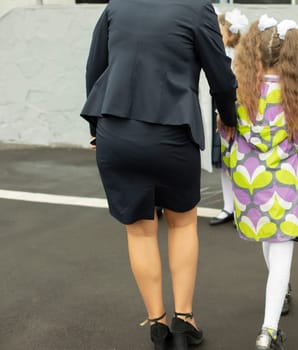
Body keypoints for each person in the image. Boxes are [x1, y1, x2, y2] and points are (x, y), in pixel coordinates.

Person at [80, 1, 237, 349]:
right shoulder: (196, 9)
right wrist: (230, 118)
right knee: (182, 223)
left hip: (116, 132)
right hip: (172, 132)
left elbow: (95, 71)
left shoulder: (116, 7)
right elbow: (221, 78)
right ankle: (184, 321)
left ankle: (157, 324)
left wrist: (96, 125)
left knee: (139, 232)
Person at [218, 15, 298, 350]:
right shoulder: (293, 98)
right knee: (282, 254)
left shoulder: (239, 94)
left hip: (249, 186)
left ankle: (281, 292)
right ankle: (267, 331)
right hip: (283, 188)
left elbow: (225, 136)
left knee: (267, 240)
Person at [209, 8, 249, 226]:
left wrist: (227, 114)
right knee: (225, 162)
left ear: (231, 33)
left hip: (236, 114)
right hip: (221, 112)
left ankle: (242, 208)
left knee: (239, 162)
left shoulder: (240, 58)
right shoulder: (220, 54)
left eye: (220, 28)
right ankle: (228, 207)